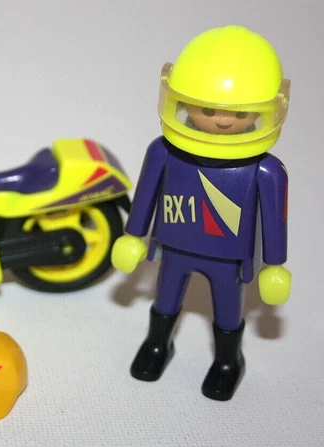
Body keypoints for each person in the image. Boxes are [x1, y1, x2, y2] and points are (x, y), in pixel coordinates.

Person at [110, 25, 292, 401]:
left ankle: (227, 361)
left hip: (228, 257)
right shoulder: (163, 152)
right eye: (208, 109)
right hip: (174, 247)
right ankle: (157, 344)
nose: (222, 121)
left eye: (239, 112)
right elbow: (145, 195)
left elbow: (274, 221)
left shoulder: (264, 171)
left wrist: (274, 265)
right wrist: (133, 234)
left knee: (228, 311)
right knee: (165, 300)